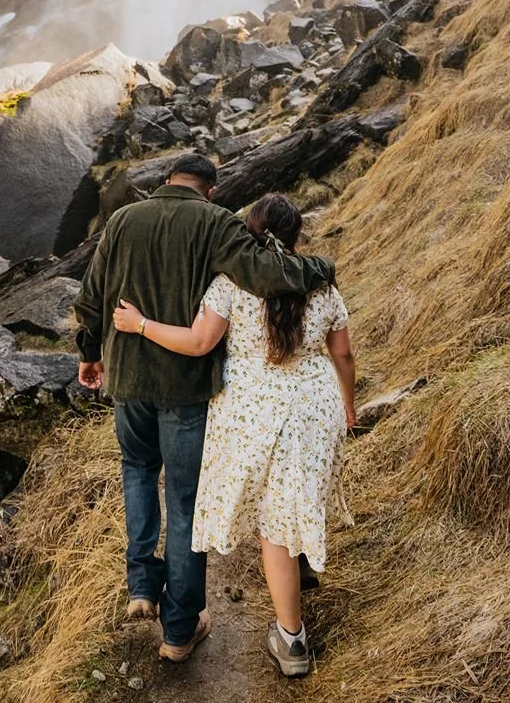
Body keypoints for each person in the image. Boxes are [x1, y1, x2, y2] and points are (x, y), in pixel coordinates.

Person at [74, 155, 335, 664]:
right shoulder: (216, 223)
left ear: (166, 181)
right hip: (185, 389)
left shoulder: (124, 219)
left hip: (127, 380)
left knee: (137, 472)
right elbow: (268, 273)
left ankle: (141, 586)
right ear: (210, 191)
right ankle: (179, 630)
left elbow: (91, 297)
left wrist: (89, 353)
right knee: (186, 500)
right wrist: (323, 268)